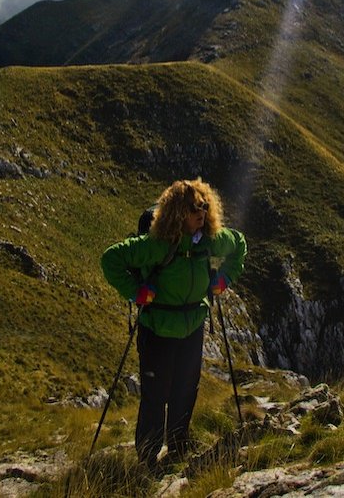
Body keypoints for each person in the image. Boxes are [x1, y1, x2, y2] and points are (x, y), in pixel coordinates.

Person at [100, 178, 247, 472]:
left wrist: (223, 280)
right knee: (156, 394)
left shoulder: (210, 241)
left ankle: (179, 447)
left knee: (185, 389)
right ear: (178, 212)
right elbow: (111, 259)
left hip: (192, 326)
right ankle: (148, 457)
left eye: (204, 206)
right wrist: (136, 293)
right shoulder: (157, 245)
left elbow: (239, 245)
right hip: (158, 329)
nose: (201, 213)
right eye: (195, 208)